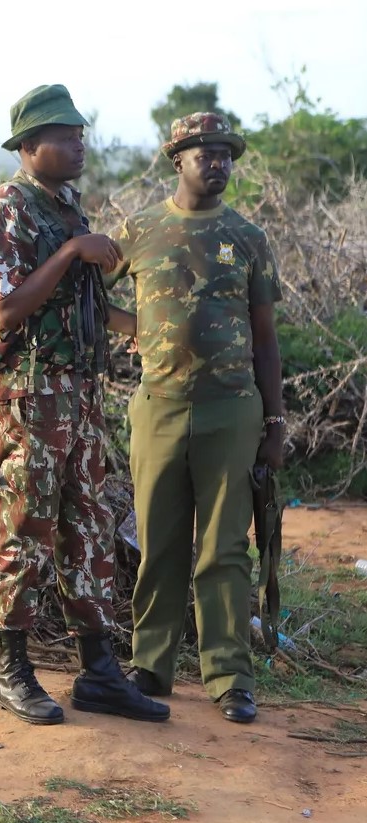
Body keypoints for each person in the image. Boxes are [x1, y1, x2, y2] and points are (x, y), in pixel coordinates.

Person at [0, 85, 169, 726]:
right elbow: (8, 307)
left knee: (88, 526)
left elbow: (81, 308)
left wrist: (149, 330)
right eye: (65, 134)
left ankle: (99, 672)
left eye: (82, 132)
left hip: (77, 394)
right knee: (24, 525)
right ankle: (12, 669)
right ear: (29, 146)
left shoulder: (67, 207)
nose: (80, 142)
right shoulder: (9, 208)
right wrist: (71, 251)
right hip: (29, 393)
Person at [109, 114, 284, 724]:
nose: (218, 164)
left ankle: (229, 675)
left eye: (227, 155)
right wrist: (140, 332)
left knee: (225, 548)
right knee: (158, 541)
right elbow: (87, 293)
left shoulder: (248, 236)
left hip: (233, 410)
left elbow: (266, 340)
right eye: (205, 154)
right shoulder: (139, 229)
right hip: (157, 407)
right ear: (176, 160)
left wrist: (275, 425)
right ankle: (151, 664)